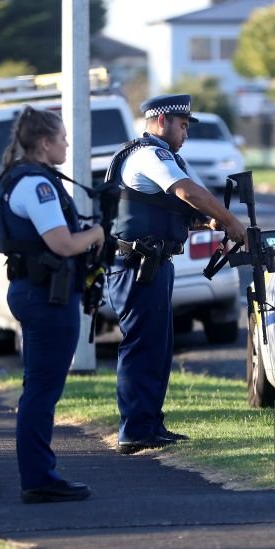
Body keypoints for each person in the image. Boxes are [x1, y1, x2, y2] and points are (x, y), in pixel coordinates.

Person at [105, 94, 247, 454]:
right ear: (161, 120)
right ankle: (135, 430)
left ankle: (149, 424)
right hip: (139, 266)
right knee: (142, 347)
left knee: (157, 348)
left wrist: (206, 220)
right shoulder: (150, 155)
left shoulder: (160, 156)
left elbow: (169, 205)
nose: (185, 133)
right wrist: (230, 221)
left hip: (152, 265)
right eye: (182, 125)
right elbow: (186, 191)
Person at [0, 106, 103, 503]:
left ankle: (40, 473)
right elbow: (62, 243)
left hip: (38, 293)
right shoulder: (35, 184)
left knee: (38, 389)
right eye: (63, 138)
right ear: (44, 142)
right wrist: (96, 234)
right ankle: (39, 478)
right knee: (41, 391)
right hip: (46, 297)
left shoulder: (17, 179)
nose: (67, 144)